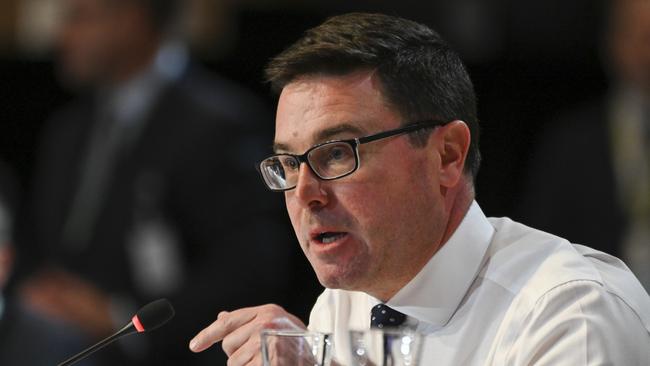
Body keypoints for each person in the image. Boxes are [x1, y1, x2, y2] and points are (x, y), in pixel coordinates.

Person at [188, 13, 650, 365]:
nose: (306, 193)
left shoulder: (570, 314)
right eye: (289, 163)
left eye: (336, 153)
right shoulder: (343, 308)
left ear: (447, 155)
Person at [16, 0, 291, 364]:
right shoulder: (67, 129)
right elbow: (36, 241)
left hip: (160, 344)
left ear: (132, 17)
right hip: (52, 325)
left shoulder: (221, 124)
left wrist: (116, 315)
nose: (62, 36)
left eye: (80, 18)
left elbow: (249, 267)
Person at [518, 0, 650, 290]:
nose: (647, 53)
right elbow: (541, 241)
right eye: (638, 36)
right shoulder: (570, 141)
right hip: (599, 305)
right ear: (612, 42)